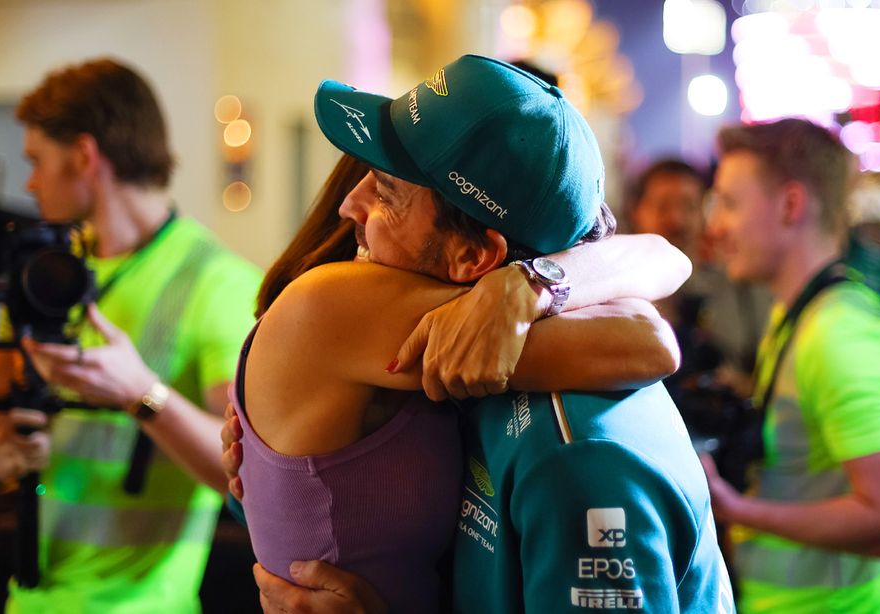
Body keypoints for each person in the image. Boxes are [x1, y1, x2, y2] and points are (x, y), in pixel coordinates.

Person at [227, 54, 732, 613]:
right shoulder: (361, 310)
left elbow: (649, 338)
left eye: (386, 193)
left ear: (474, 256)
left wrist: (528, 286)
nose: (350, 204)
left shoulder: (573, 445)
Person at [0, 58, 261, 612]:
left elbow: (249, 475)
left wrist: (140, 394)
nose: (28, 182)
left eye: (36, 161)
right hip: (24, 601)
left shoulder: (218, 283)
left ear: (83, 155)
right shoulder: (41, 277)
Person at [700, 118, 880, 613]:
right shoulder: (800, 312)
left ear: (791, 205)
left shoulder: (840, 334)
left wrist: (738, 510)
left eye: (731, 204)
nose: (714, 226)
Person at [627, 158, 769, 397]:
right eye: (663, 207)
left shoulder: (739, 284)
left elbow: (770, 380)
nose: (677, 220)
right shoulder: (621, 292)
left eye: (689, 206)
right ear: (636, 212)